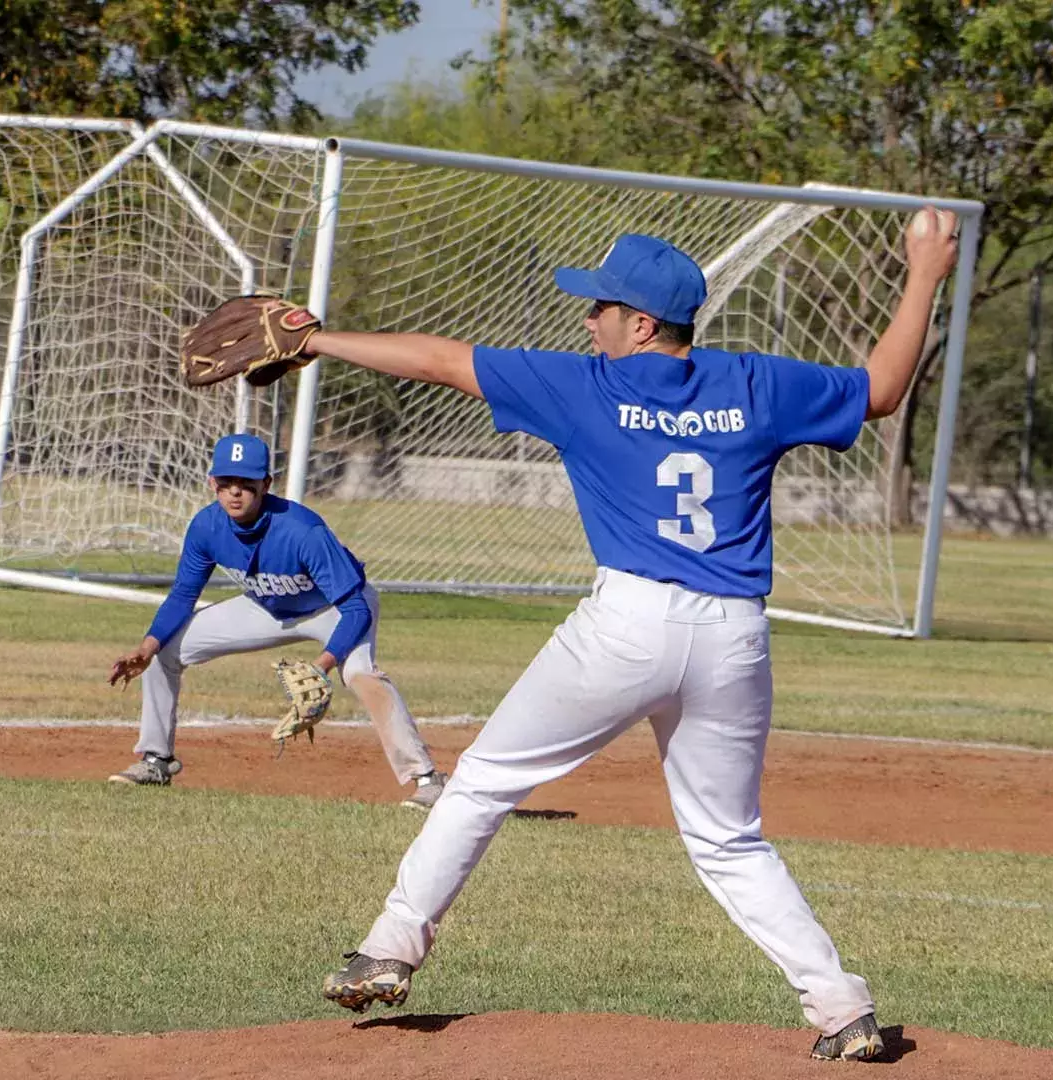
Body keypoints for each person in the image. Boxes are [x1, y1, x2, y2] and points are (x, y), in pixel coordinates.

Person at [306, 213, 959, 1061]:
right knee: (729, 839)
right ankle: (841, 1010)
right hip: (734, 637)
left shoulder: (586, 387)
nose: (588, 321)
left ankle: (389, 951)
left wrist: (318, 340)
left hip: (626, 625)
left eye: (601, 308)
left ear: (641, 324)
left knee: (483, 784)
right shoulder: (755, 383)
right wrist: (924, 274)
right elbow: (879, 392)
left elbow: (437, 358)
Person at [106, 433, 448, 810]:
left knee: (362, 676)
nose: (235, 493)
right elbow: (183, 595)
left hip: (335, 608)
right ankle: (156, 760)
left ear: (266, 485)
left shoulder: (303, 531)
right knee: (165, 651)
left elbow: (356, 610)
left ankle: (428, 779)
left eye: (247, 485)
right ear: (212, 483)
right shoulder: (206, 527)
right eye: (226, 484)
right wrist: (147, 646)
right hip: (266, 607)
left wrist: (323, 666)